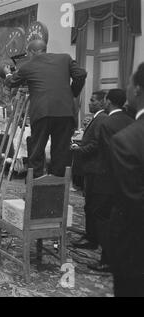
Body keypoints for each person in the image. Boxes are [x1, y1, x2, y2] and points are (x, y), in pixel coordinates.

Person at [5, 39, 87, 178]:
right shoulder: (65, 58)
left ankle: (36, 188)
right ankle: (56, 190)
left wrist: (7, 72)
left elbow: (12, 82)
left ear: (31, 52)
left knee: (37, 151)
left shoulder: (28, 65)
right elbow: (81, 74)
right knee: (61, 153)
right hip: (65, 112)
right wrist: (72, 93)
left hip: (41, 112)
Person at [86, 88, 133, 272]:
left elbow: (105, 155)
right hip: (128, 179)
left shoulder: (107, 123)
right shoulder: (131, 121)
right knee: (121, 219)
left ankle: (107, 260)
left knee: (102, 218)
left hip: (107, 179)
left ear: (109, 101)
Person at [109, 63, 144, 297]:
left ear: (138, 90)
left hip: (135, 254)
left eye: (129, 83)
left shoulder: (128, 140)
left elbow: (131, 206)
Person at [71, 91, 108, 252]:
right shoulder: (97, 118)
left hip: (94, 168)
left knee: (92, 205)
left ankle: (92, 238)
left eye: (93, 100)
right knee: (89, 204)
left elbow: (96, 144)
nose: (89, 103)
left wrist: (79, 149)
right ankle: (90, 235)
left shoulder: (101, 119)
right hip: (91, 168)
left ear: (101, 103)